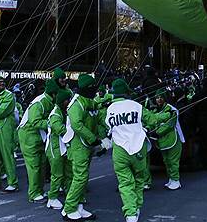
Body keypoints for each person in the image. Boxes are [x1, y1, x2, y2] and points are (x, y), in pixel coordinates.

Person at [104, 79, 162, 222]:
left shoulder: (110, 109)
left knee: (125, 183)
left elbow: (106, 127)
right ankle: (136, 207)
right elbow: (153, 120)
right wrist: (165, 116)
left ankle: (130, 213)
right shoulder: (136, 105)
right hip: (138, 149)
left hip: (120, 151)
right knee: (139, 179)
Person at [62, 73, 102, 220]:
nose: (95, 90)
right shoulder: (76, 103)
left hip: (86, 145)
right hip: (79, 145)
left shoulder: (88, 100)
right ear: (86, 88)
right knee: (80, 177)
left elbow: (95, 115)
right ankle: (69, 208)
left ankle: (78, 206)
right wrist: (93, 139)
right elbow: (77, 124)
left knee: (82, 177)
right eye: (92, 87)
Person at [18, 79, 57, 202]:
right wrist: (53, 123)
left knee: (42, 164)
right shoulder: (39, 102)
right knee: (34, 166)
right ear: (54, 93)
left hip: (38, 136)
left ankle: (39, 191)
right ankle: (34, 194)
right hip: (28, 136)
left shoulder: (48, 101)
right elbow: (35, 122)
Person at [151, 89, 184, 190]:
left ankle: (176, 180)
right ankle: (171, 179)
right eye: (157, 97)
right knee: (166, 161)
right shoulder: (156, 110)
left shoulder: (171, 109)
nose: (159, 99)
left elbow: (170, 125)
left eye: (161, 97)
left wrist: (156, 132)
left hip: (173, 139)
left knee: (173, 161)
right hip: (162, 141)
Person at [46, 90, 73, 210]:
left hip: (63, 147)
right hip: (54, 148)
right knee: (57, 174)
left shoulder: (64, 111)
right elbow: (59, 129)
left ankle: (71, 195)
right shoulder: (55, 114)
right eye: (68, 99)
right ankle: (52, 198)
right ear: (63, 101)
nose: (70, 101)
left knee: (69, 173)